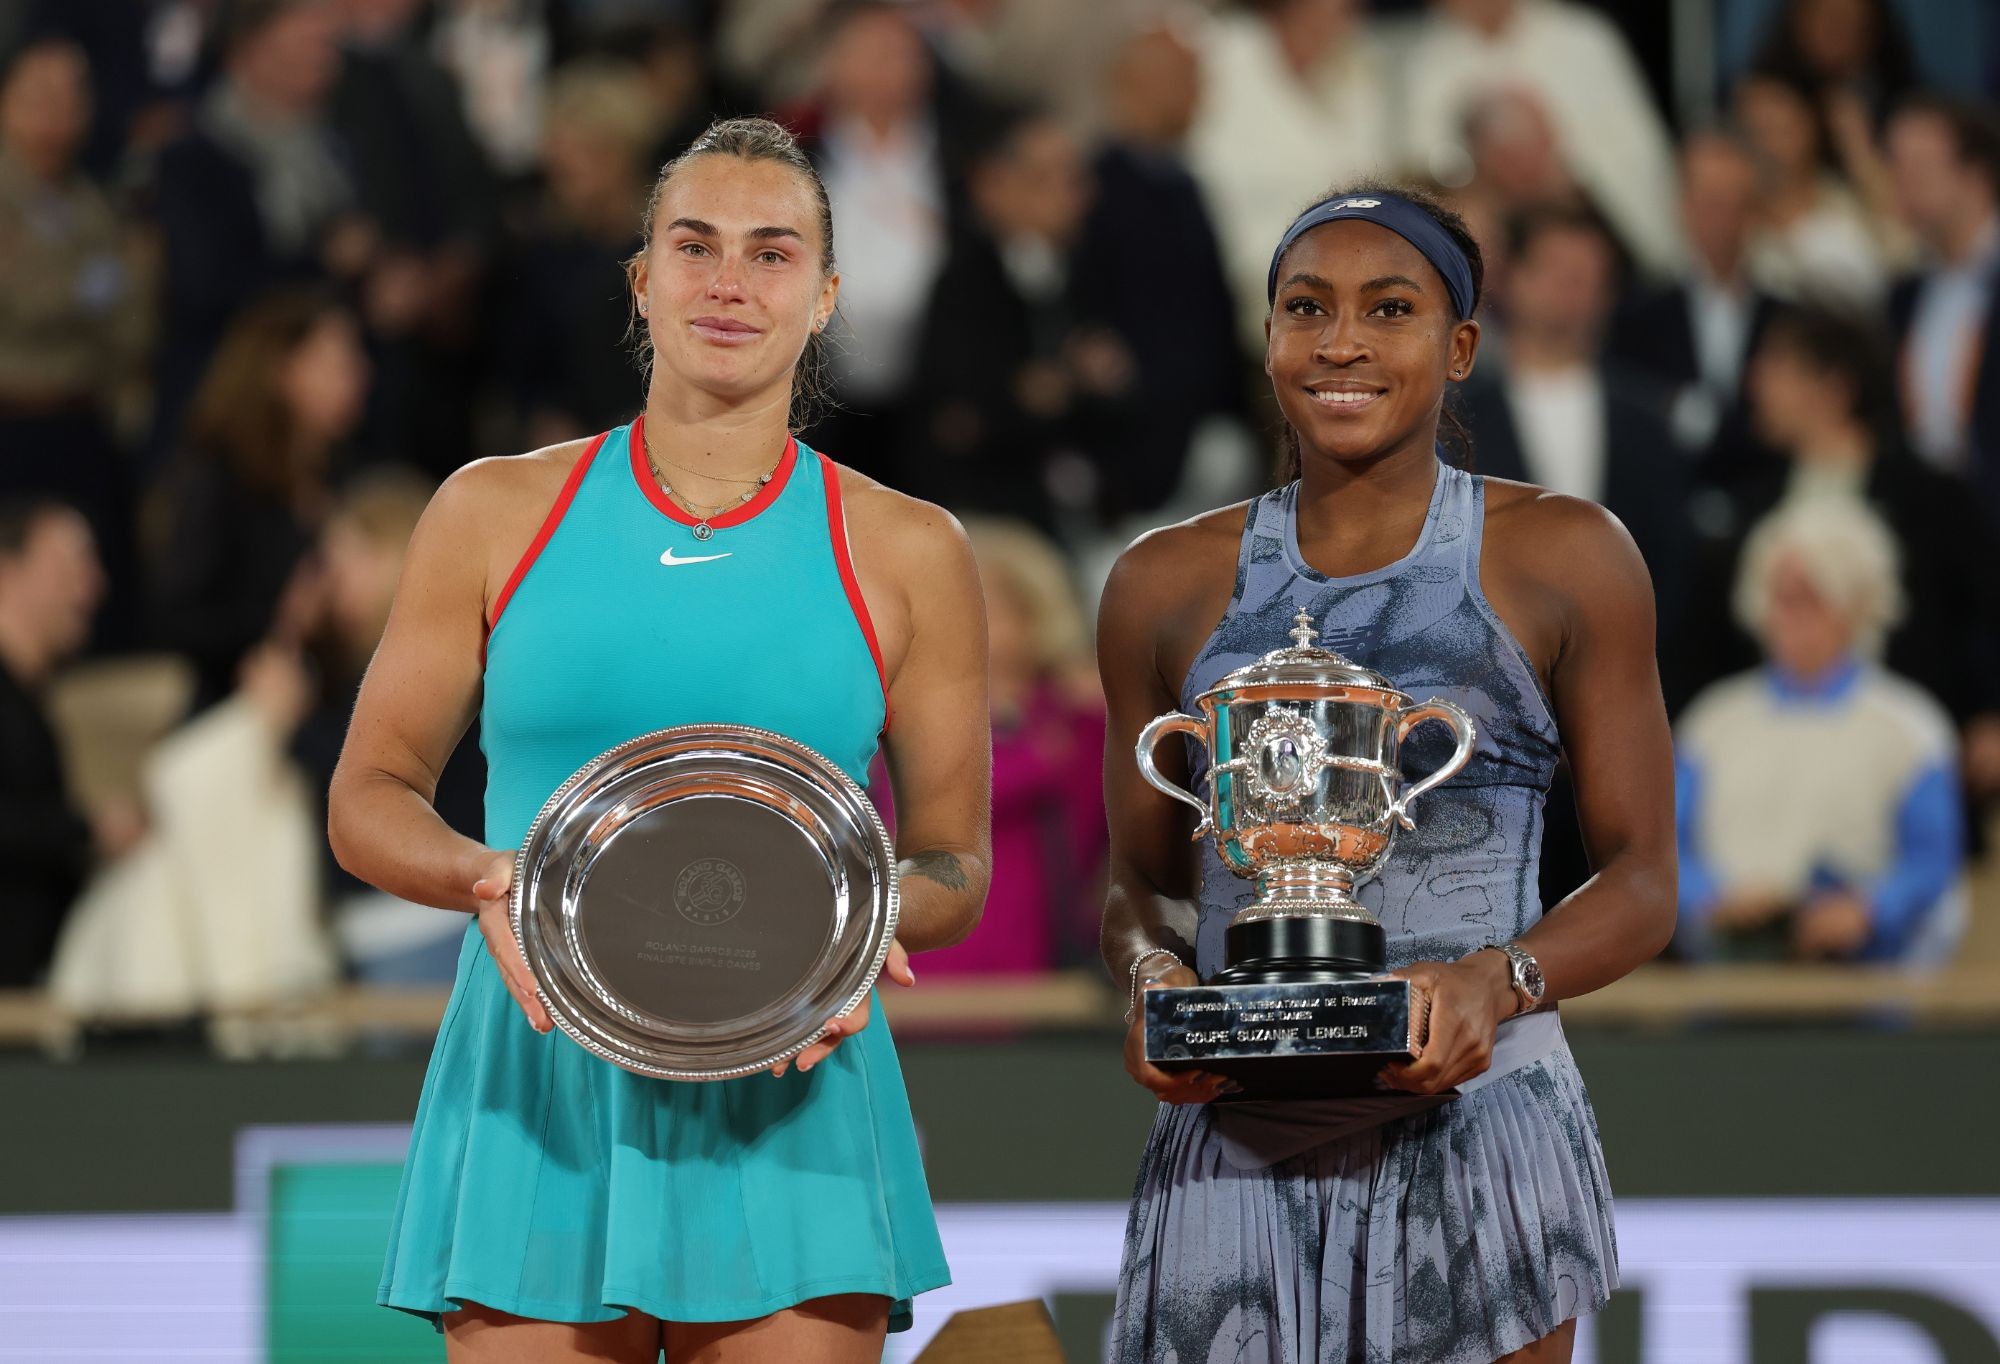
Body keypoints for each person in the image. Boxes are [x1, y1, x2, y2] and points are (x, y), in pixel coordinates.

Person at [329, 116, 989, 1362]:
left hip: (790, 1076)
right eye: (695, 246)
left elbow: (955, 861)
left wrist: (850, 923)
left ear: (825, 294)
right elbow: (368, 794)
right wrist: (493, 878)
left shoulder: (912, 549)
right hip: (538, 1073)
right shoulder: (488, 508)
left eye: (771, 252)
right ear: (641, 280)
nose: (729, 282)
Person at [1099, 186, 1675, 1363]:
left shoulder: (1567, 554)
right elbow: (1139, 883)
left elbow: (1644, 877)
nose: (1341, 342)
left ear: (1458, 347)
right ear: (1268, 338)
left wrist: (1495, 979)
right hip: (1230, 1146)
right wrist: (1154, 979)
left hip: (1481, 1125)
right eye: (1306, 308)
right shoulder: (1159, 580)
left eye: (1388, 308)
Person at [1675, 497, 1965, 967]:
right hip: (1728, 974)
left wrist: (1868, 908)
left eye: (1811, 597)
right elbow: (1668, 850)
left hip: (1863, 978)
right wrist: (1710, 897)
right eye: (1780, 596)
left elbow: (1931, 862)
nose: (1791, 615)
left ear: (1857, 604)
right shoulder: (1713, 724)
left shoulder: (1911, 729)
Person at [145, 290, 372, 709]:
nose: (360, 374)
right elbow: (179, 619)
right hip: (240, 704)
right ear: (282, 372)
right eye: (337, 364)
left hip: (330, 699)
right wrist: (281, 616)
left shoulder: (344, 471)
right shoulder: (219, 476)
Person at [915, 516, 1105, 977]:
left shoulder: (1077, 718)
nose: (953, 618)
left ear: (1034, 617)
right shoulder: (910, 710)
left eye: (986, 604)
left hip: (1039, 968)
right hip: (929, 968)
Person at [0, 498, 114, 987]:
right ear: (6, 572)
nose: (94, 586)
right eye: (70, 567)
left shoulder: (30, 703)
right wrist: (89, 830)